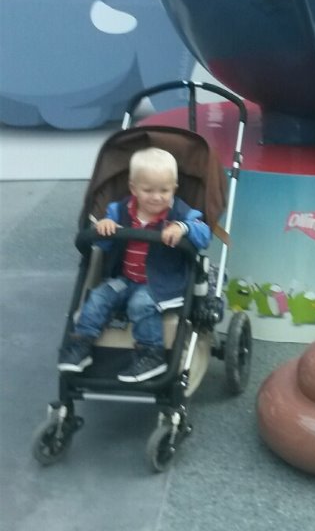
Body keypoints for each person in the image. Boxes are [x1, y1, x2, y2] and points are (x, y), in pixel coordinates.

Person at [58, 147, 211, 383]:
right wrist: (105, 228)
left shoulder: (180, 213)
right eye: (148, 190)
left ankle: (152, 353)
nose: (157, 197)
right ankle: (82, 344)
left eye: (164, 190)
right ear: (133, 188)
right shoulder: (119, 211)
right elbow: (105, 246)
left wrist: (183, 228)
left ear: (174, 189)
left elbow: (204, 234)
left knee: (140, 304)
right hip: (126, 279)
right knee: (98, 297)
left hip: (161, 283)